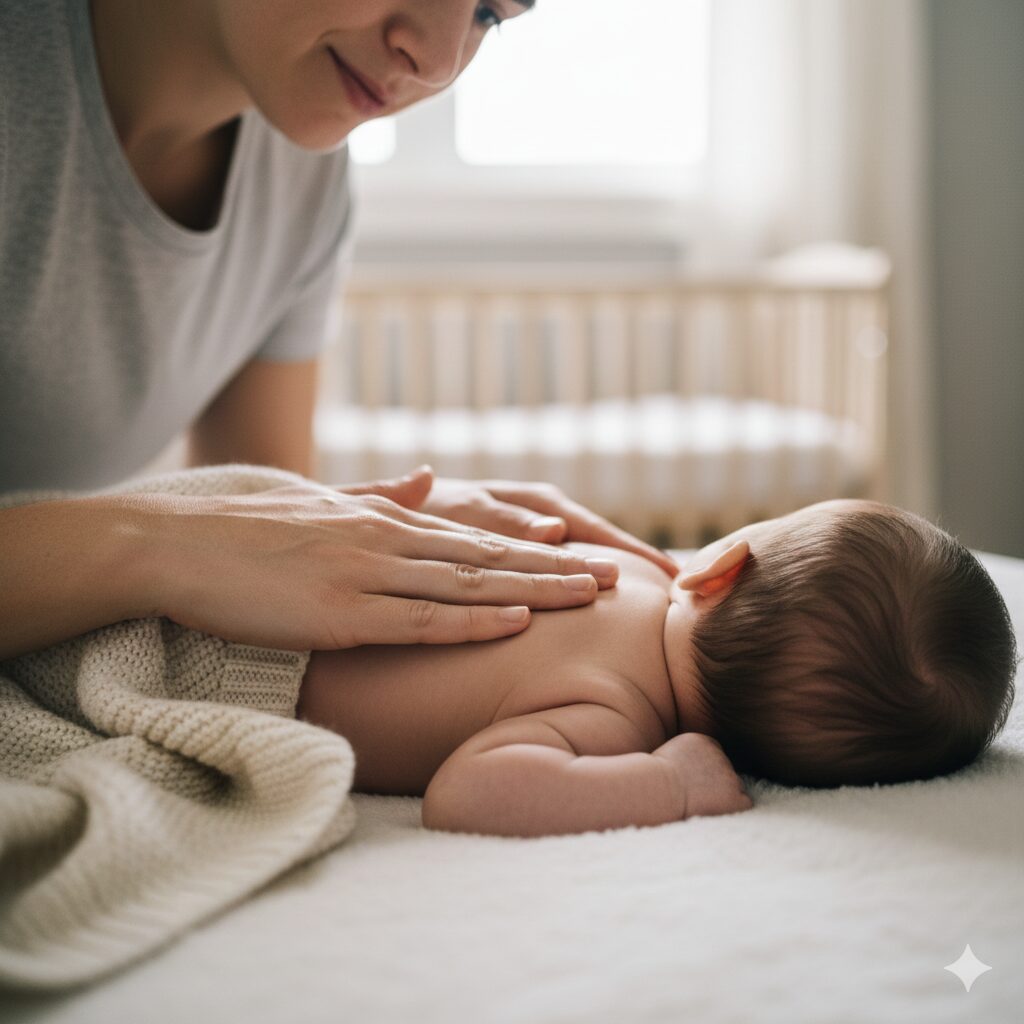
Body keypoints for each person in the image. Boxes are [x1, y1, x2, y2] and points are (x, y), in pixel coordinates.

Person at [0, 0, 677, 664]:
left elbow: (252, 496)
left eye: (488, 15)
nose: (438, 64)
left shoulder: (305, 182)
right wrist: (163, 543)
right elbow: (212, 527)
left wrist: (395, 523)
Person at [296, 498, 1019, 837]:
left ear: (721, 568)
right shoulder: (618, 702)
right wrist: (667, 781)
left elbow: (464, 794)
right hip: (288, 617)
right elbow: (465, 793)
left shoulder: (613, 688)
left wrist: (664, 781)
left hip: (265, 651)